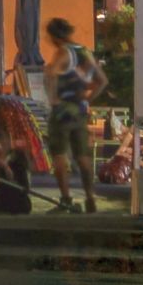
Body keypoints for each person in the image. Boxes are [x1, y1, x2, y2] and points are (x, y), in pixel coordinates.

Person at [38, 17, 105, 213]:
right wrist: (87, 98)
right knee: (82, 155)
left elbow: (52, 74)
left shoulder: (63, 52)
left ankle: (66, 199)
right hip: (80, 110)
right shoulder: (84, 52)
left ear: (54, 36)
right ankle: (90, 198)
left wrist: (53, 98)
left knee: (59, 155)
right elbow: (102, 81)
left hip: (62, 111)